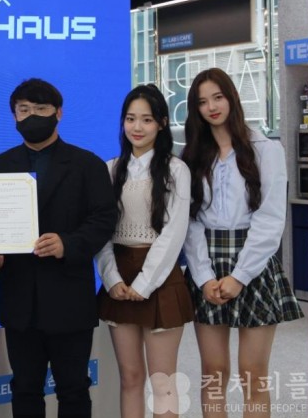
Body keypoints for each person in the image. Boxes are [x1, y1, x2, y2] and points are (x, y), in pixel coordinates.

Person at [0, 78, 117, 417]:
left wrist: (67, 244)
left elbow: (103, 220)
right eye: (23, 110)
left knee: (73, 389)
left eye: (40, 109)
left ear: (59, 113)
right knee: (24, 389)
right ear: (14, 116)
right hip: (19, 301)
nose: (32, 116)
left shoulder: (88, 165)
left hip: (69, 300)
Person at [182, 68, 303, 418]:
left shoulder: (266, 149)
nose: (212, 107)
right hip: (207, 263)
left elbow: (270, 218)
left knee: (253, 373)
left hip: (254, 264)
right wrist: (204, 277)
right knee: (213, 372)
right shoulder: (192, 156)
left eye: (218, 97)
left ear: (232, 97)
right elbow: (190, 221)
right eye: (202, 102)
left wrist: (239, 276)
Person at [95, 84, 193, 418]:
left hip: (160, 278)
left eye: (147, 119)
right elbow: (101, 231)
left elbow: (174, 233)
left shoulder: (176, 170)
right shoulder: (110, 169)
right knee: (130, 378)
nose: (137, 127)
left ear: (162, 123)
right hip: (119, 279)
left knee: (162, 382)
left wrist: (144, 283)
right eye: (130, 118)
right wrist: (111, 279)